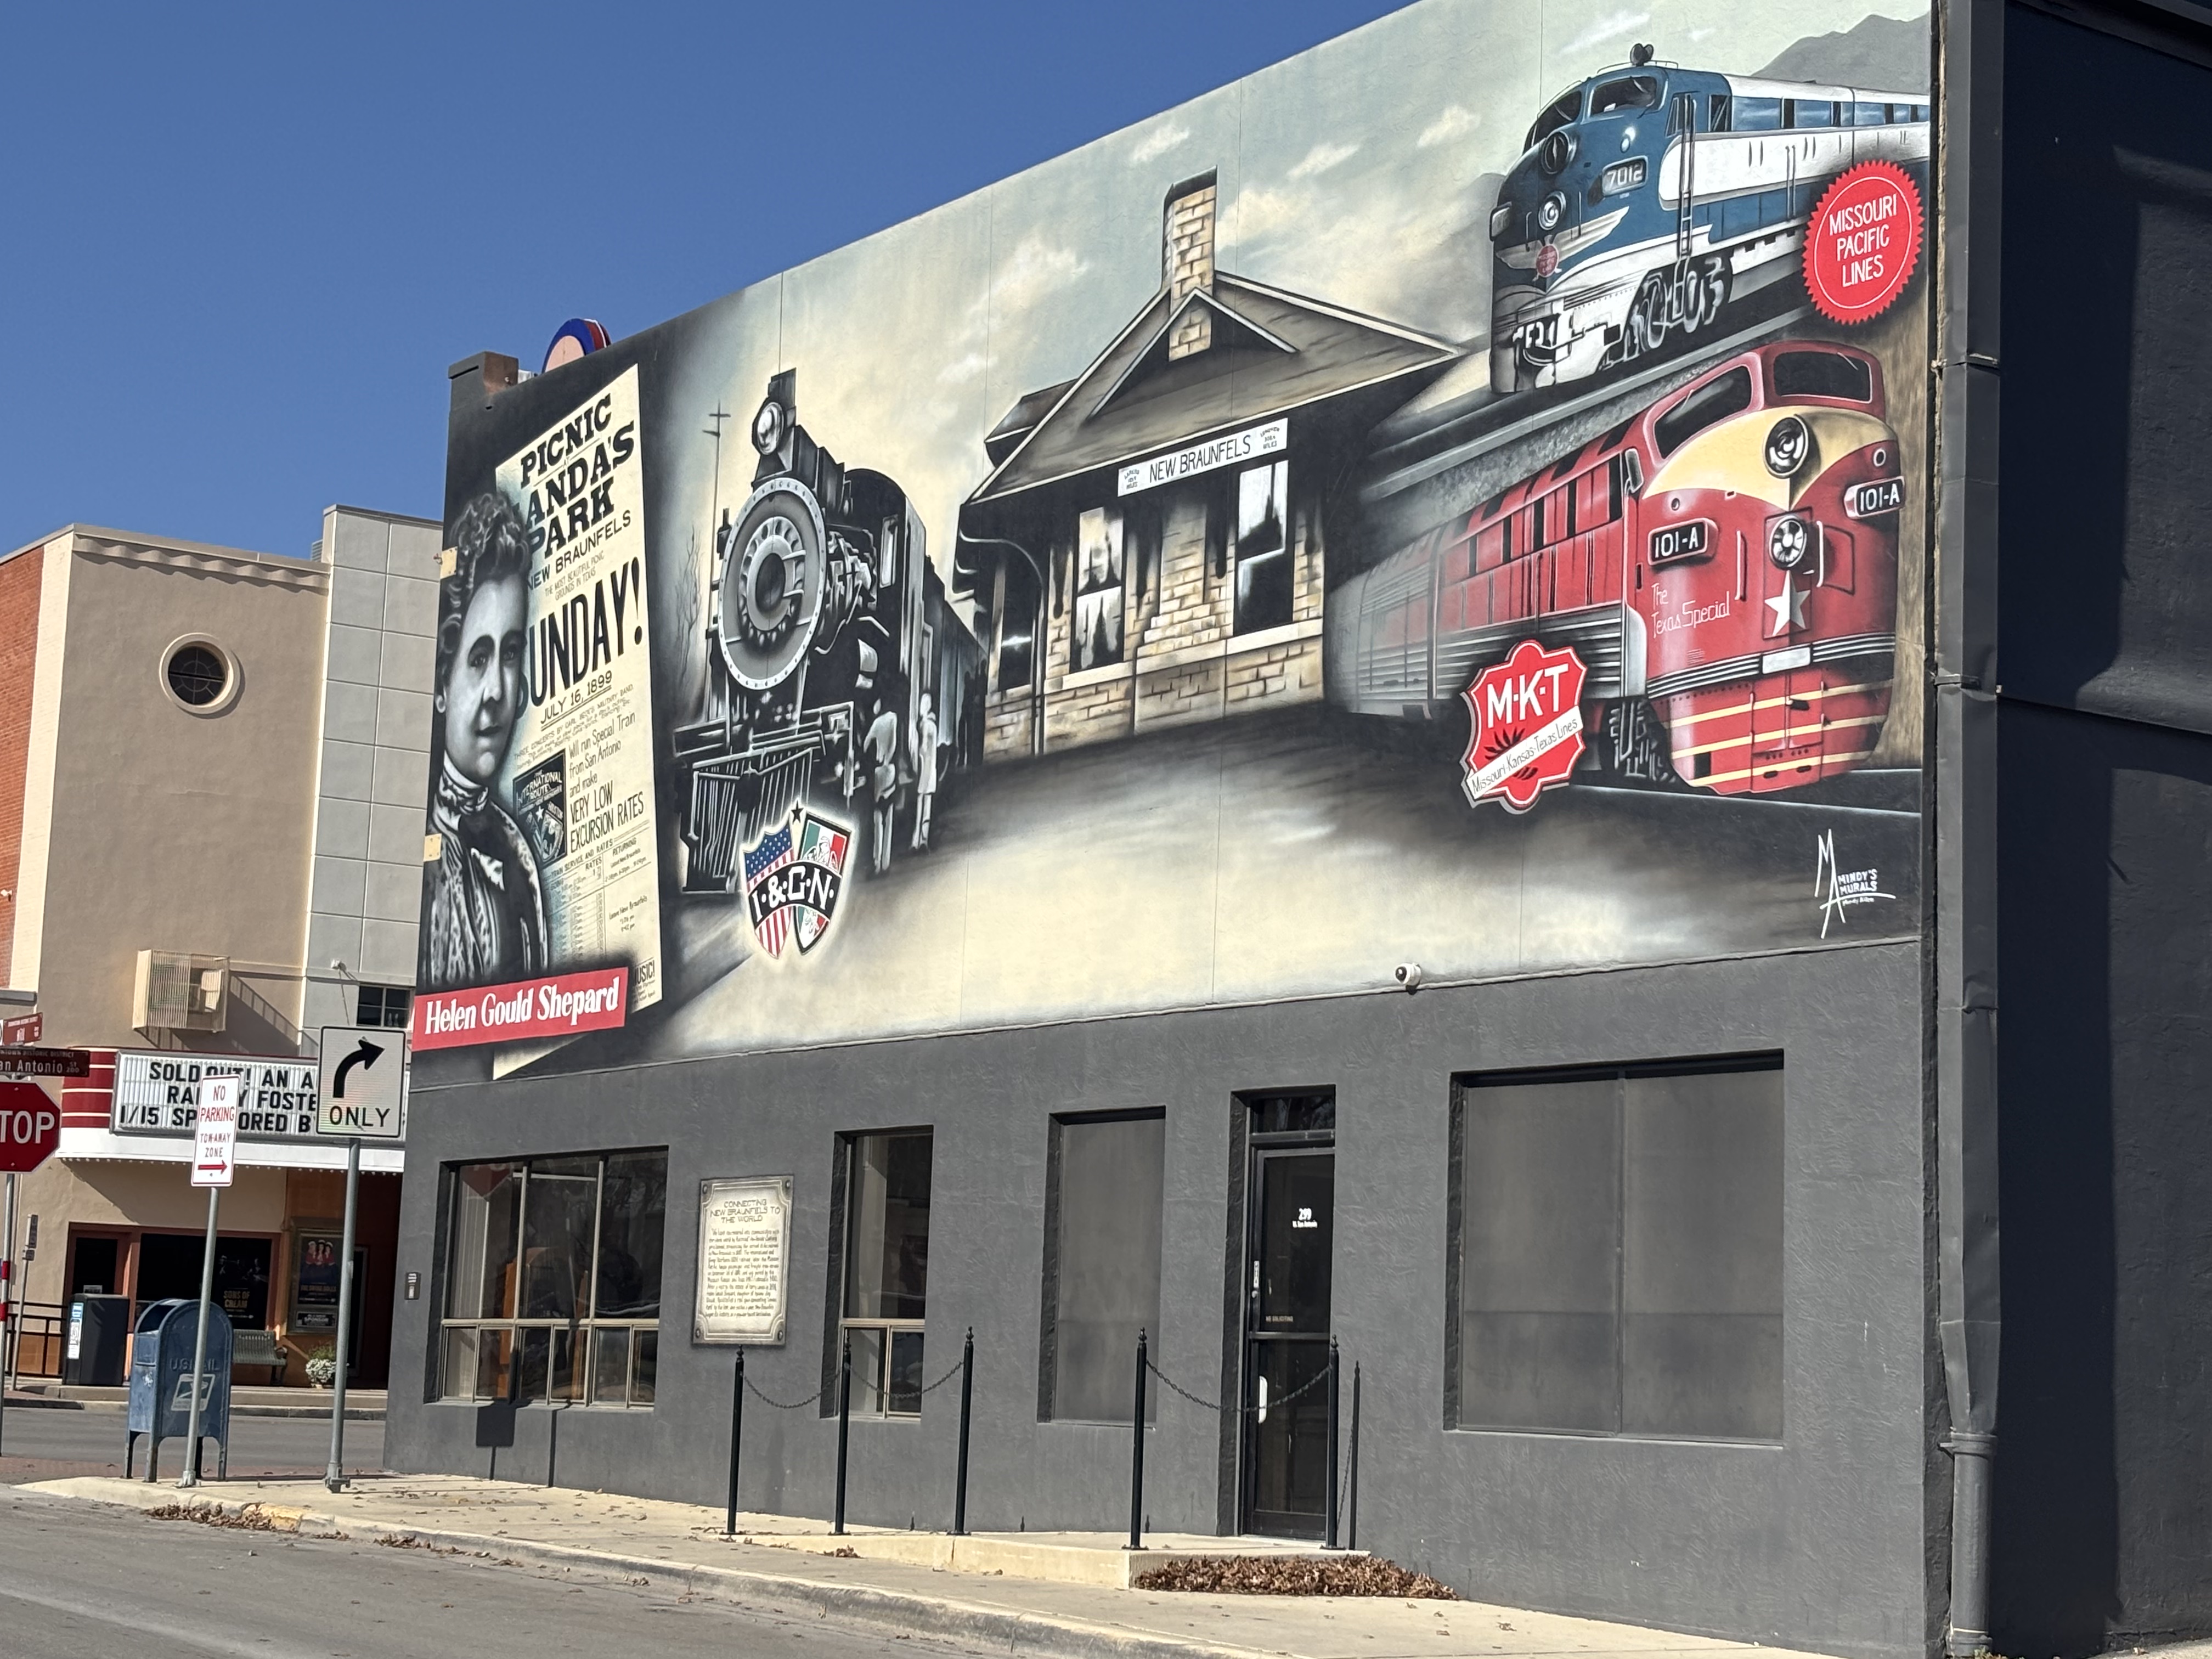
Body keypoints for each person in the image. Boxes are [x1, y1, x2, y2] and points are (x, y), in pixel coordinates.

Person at [420, 493, 548, 991]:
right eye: (478, 659)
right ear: (442, 685)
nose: (497, 690)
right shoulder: (417, 860)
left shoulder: (518, 849)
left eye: (510, 654)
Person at [863, 696, 901, 876]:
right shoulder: (893, 718)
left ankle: (877, 862)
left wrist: (876, 758)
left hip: (879, 772)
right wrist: (888, 759)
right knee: (889, 817)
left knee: (878, 818)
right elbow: (894, 743)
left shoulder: (877, 723)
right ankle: (885, 862)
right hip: (890, 769)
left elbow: (865, 744)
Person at [911, 692, 941, 851]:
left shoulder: (925, 725)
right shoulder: (931, 725)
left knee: (920, 804)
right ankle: (923, 839)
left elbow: (922, 748)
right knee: (926, 805)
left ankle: (917, 840)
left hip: (925, 769)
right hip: (930, 770)